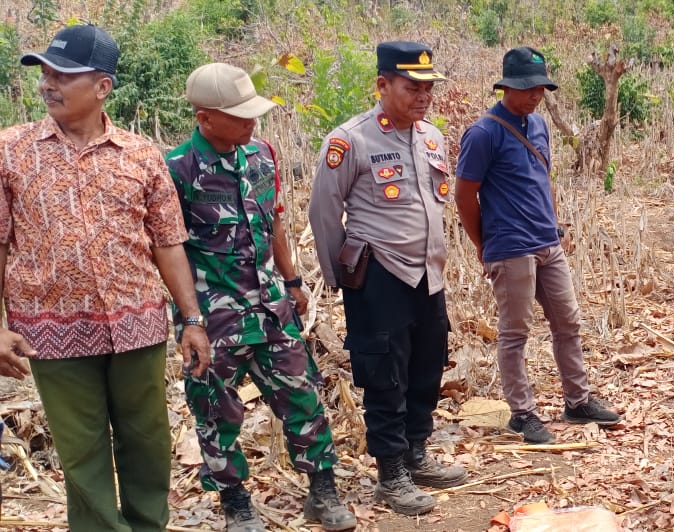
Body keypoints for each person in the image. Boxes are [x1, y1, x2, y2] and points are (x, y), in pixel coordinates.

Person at [0, 24, 210, 531]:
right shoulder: (10, 151)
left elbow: (168, 243)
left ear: (102, 87)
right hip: (51, 331)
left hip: (136, 325)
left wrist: (192, 318)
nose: (49, 84)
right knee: (82, 453)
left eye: (64, 75)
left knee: (147, 442)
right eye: (45, 73)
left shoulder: (141, 155)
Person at [166, 63, 355, 532]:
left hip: (271, 308)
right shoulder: (176, 171)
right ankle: (236, 505)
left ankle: (322, 491)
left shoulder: (262, 155)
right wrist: (190, 320)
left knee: (303, 397)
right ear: (205, 118)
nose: (252, 123)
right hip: (213, 318)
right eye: (240, 115)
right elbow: (167, 250)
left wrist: (293, 284)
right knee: (215, 411)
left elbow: (273, 224)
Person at [309, 41, 467, 516]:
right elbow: (323, 211)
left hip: (427, 275)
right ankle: (391, 473)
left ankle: (416, 452)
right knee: (384, 376)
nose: (423, 96)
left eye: (428, 88)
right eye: (411, 87)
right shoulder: (350, 140)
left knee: (427, 366)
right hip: (378, 274)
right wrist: (341, 278)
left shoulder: (432, 137)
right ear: (382, 85)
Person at [455, 46, 620, 445]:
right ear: (506, 87)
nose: (535, 95)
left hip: (547, 241)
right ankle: (522, 413)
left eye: (541, 88)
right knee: (515, 332)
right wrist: (484, 245)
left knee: (568, 322)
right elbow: (464, 197)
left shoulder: (540, 126)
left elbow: (544, 179)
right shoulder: (483, 133)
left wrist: (555, 224)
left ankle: (577, 401)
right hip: (510, 246)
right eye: (527, 88)